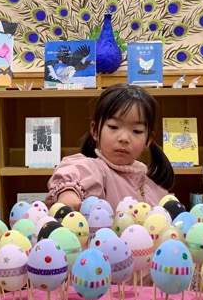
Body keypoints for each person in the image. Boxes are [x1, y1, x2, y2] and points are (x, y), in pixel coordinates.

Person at [47, 83, 175, 212]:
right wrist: (68, 194)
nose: (124, 138)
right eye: (113, 127)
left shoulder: (157, 190)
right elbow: (73, 172)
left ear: (148, 140)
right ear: (95, 131)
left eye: (137, 131)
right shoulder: (95, 170)